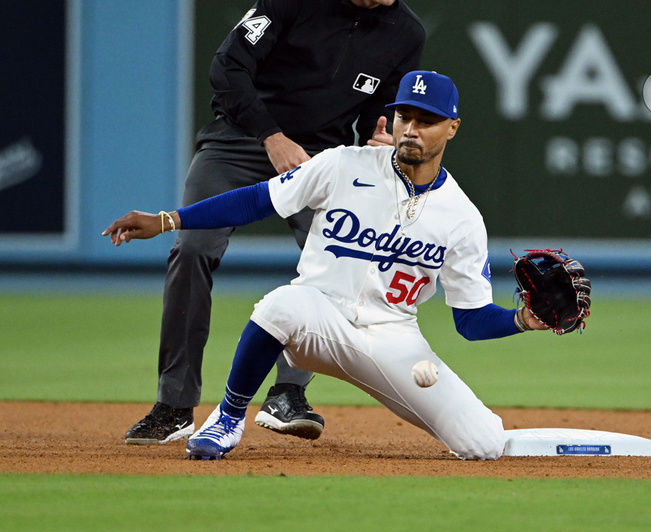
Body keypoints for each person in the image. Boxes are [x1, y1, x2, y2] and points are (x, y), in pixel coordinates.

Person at [104, 70, 549, 460]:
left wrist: (523, 319)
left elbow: (469, 320)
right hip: (318, 320)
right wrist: (169, 220)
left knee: (483, 445)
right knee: (281, 304)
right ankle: (229, 416)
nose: (411, 130)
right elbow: (259, 199)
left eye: (426, 121)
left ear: (452, 127)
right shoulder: (342, 163)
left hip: (394, 341)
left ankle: (484, 431)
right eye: (404, 117)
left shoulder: (463, 217)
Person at [124, 0, 426, 445]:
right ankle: (174, 404)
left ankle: (288, 392)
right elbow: (228, 68)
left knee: (336, 260)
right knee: (192, 250)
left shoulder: (405, 31)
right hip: (240, 142)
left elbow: (377, 113)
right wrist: (272, 136)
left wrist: (382, 138)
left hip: (322, 156)